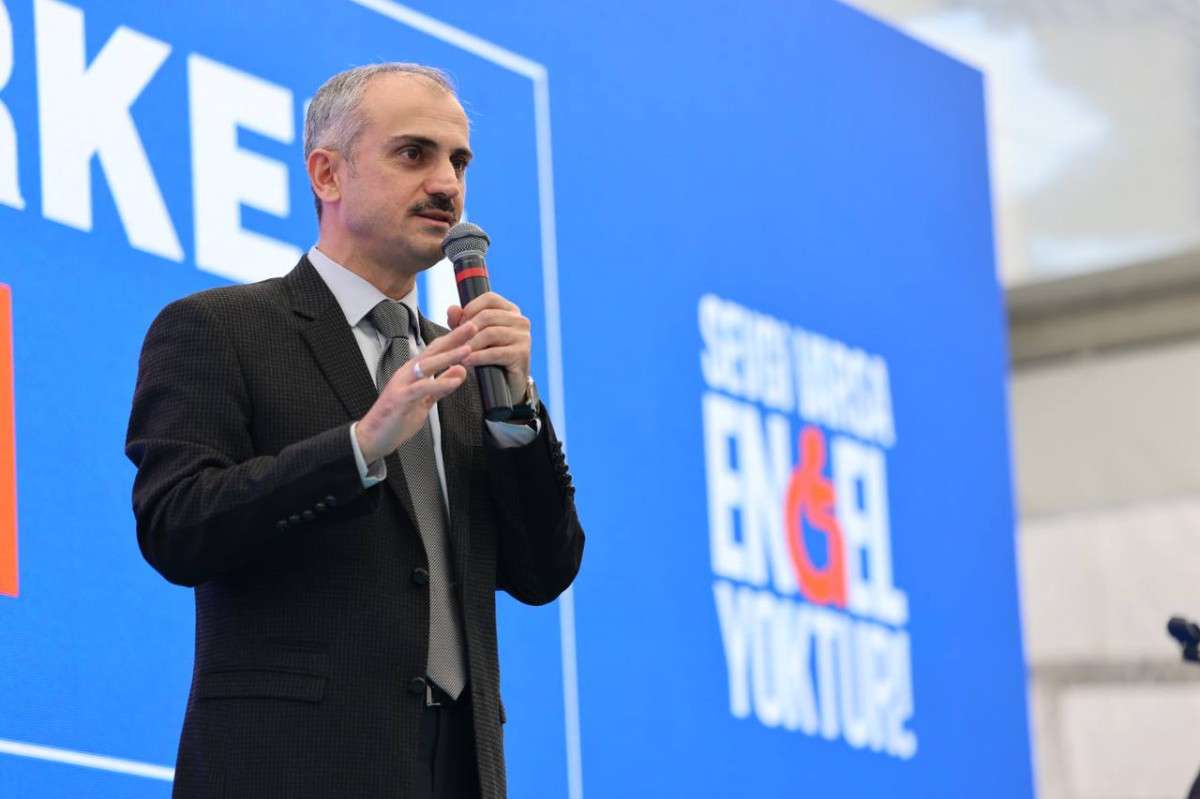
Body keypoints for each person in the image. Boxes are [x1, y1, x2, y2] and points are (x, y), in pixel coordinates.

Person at [125, 63, 584, 799]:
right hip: (293, 767)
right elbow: (176, 525)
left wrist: (519, 410)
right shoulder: (220, 329)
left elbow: (542, 572)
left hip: (459, 768)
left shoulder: (465, 368)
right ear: (327, 174)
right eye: (414, 153)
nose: (447, 184)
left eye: (459, 161)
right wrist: (359, 447)